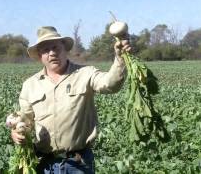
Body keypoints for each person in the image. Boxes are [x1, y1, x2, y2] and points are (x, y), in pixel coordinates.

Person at [11, 26, 131, 174]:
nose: (52, 53)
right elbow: (26, 121)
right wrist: (17, 133)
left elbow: (110, 85)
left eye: (56, 47)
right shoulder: (30, 85)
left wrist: (120, 58)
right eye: (46, 50)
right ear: (40, 56)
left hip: (78, 164)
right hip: (44, 164)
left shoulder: (85, 74)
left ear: (64, 49)